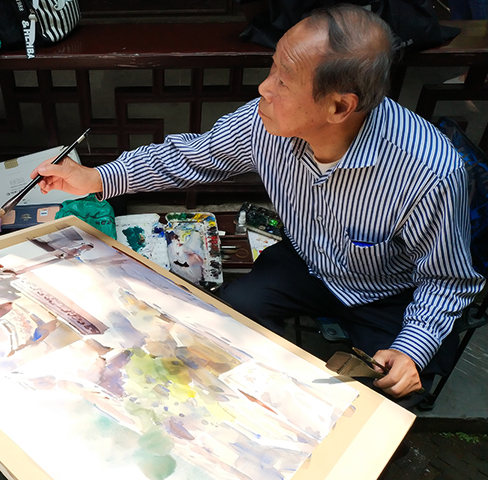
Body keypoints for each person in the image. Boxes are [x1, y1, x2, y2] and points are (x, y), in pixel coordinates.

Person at [29, 5, 486, 405]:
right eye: (272, 68)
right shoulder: (262, 122)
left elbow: (447, 278)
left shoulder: (428, 170)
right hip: (310, 261)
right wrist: (96, 178)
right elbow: (191, 157)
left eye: (283, 81)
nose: (264, 88)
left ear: (339, 107)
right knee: (231, 316)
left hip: (389, 289)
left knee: (387, 394)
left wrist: (411, 348)